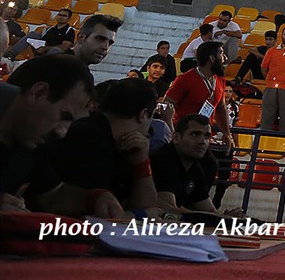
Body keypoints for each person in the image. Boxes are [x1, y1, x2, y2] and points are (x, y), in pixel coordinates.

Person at [46, 77, 160, 217]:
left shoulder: (127, 145)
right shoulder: (90, 137)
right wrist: (136, 215)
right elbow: (96, 211)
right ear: (144, 114)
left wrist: (142, 164)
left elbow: (147, 207)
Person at [0, 55, 95, 212]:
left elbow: (51, 196)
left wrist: (95, 199)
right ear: (38, 93)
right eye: (64, 116)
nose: (62, 132)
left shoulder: (32, 144)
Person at [151, 113, 243, 223]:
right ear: (176, 138)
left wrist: (224, 217)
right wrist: (222, 219)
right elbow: (170, 211)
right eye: (195, 134)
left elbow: (208, 210)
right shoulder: (163, 161)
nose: (202, 141)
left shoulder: (196, 167)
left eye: (206, 136)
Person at [161, 40, 235, 147]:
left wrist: (227, 134)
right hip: (185, 138)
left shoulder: (220, 79)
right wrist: (173, 134)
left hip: (204, 137)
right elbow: (166, 105)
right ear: (212, 58)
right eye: (221, 53)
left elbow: (220, 108)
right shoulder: (184, 79)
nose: (225, 58)